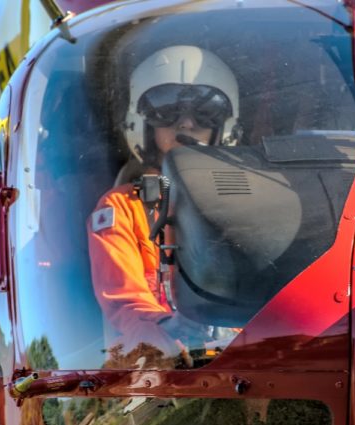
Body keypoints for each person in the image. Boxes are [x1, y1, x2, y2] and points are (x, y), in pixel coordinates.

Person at [87, 45, 240, 366]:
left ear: (224, 127)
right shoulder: (122, 207)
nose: (186, 124)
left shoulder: (244, 201)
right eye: (167, 112)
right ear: (142, 126)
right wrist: (168, 336)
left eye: (205, 113)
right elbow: (126, 303)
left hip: (244, 360)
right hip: (161, 367)